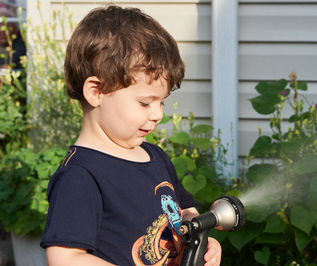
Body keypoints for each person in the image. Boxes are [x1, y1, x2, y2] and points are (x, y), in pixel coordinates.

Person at [40, 5, 221, 266]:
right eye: (145, 103)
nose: (158, 114)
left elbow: (186, 212)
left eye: (163, 102)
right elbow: (65, 257)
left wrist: (204, 241)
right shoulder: (80, 175)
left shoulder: (155, 157)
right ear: (96, 92)